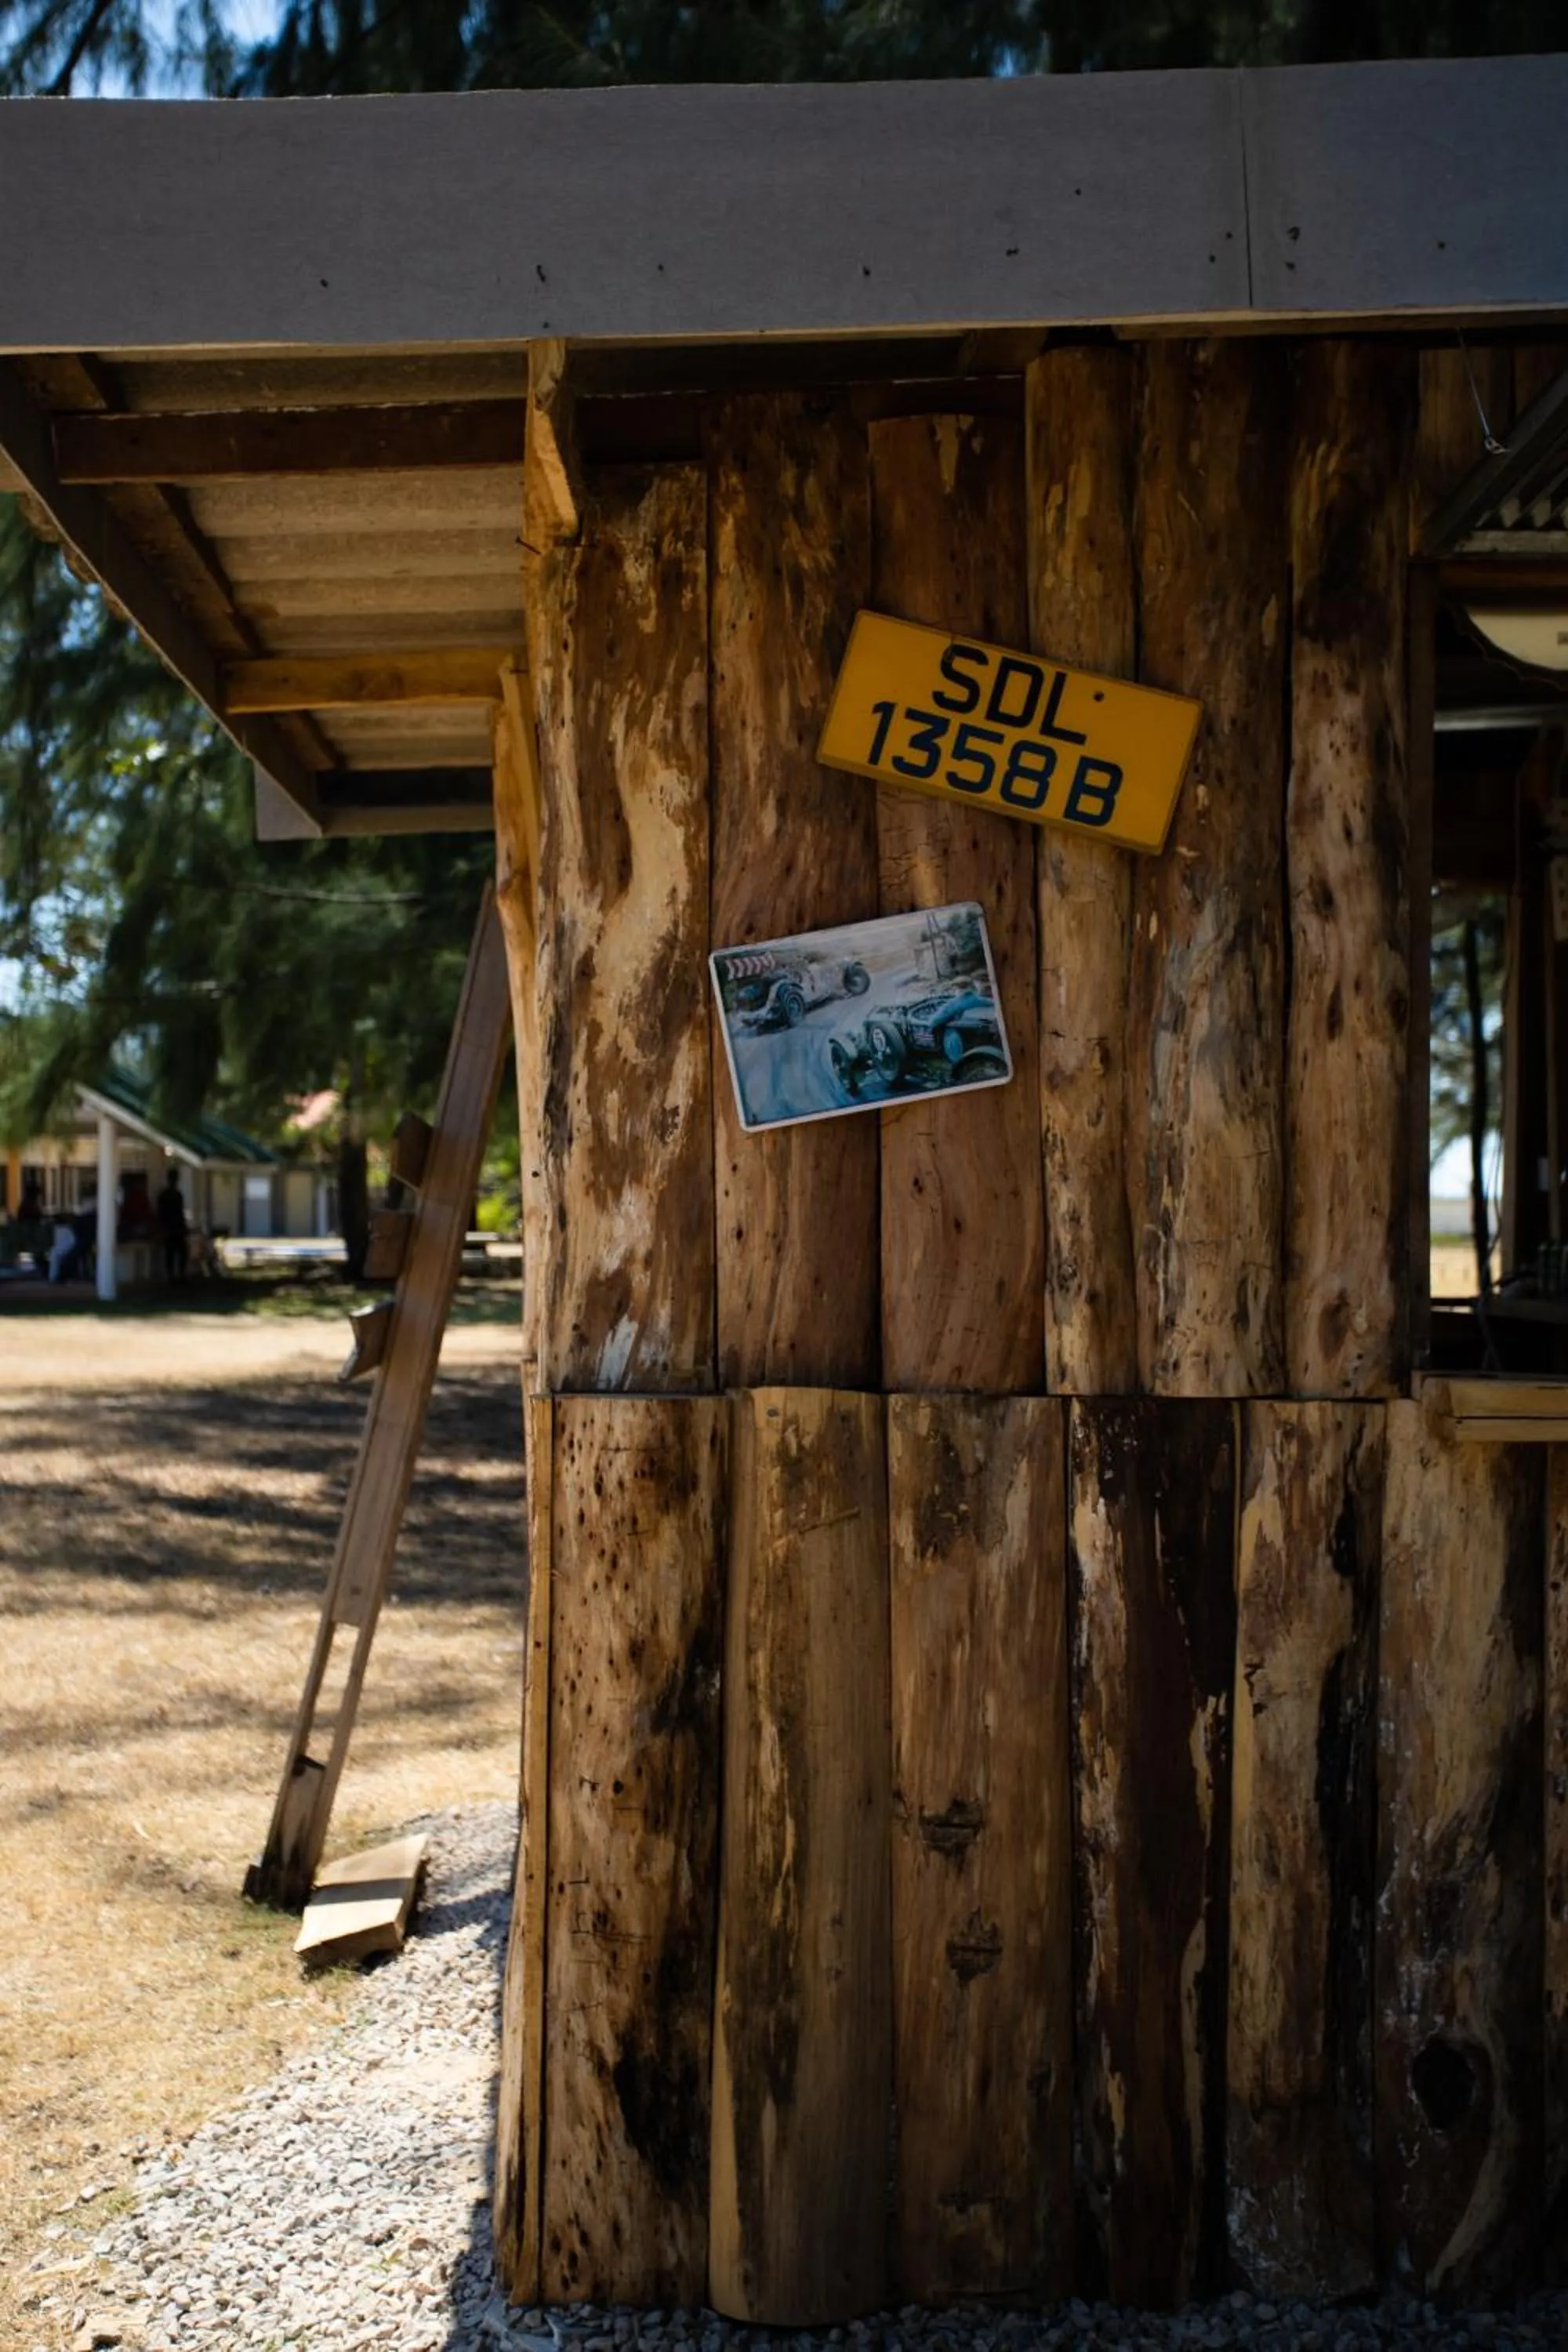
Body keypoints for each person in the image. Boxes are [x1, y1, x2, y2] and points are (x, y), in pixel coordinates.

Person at [157, 1168, 189, 1282]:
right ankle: (175, 1275)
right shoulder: (172, 1195)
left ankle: (177, 1275)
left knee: (177, 1252)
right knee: (174, 1252)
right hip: (172, 1227)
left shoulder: (171, 1195)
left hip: (174, 1227)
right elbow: (164, 1213)